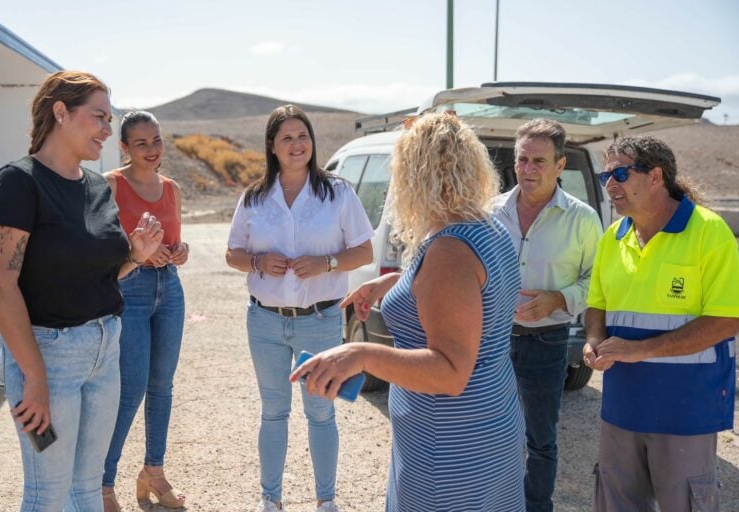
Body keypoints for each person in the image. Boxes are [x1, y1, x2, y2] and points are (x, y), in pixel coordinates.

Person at [291, 112, 526, 511]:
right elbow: (470, 291)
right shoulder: (489, 226)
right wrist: (397, 282)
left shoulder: (449, 251)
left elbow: (450, 372)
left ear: (415, 173)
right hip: (486, 423)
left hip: (449, 446)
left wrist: (361, 354)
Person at [0, 71, 163, 511]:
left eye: (110, 119)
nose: (107, 130)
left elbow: (97, 275)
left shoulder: (97, 187)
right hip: (48, 355)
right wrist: (35, 377)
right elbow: (0, 284)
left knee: (86, 489)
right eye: (99, 116)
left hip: (105, 348)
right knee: (48, 492)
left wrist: (135, 256)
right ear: (60, 112)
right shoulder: (19, 183)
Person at [225, 104, 374, 512]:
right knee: (273, 412)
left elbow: (364, 251)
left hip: (319, 321)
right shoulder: (254, 198)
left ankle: (326, 501)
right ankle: (270, 500)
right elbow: (232, 253)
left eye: (303, 135)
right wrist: (258, 261)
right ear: (272, 146)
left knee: (321, 412)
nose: (296, 144)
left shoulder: (338, 193)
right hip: (265, 322)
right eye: (287, 137)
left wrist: (326, 263)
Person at [583, 136, 739, 511]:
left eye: (621, 173)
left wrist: (640, 350)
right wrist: (593, 340)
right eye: (606, 175)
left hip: (685, 409)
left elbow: (726, 320)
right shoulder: (612, 238)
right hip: (621, 407)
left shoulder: (709, 231)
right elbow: (596, 306)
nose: (610, 184)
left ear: (656, 176)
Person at [490, 118, 602, 512]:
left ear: (560, 164)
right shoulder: (489, 212)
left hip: (547, 342)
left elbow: (598, 281)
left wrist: (559, 298)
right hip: (491, 341)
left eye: (539, 161)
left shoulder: (583, 219)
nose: (529, 169)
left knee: (540, 440)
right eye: (523, 159)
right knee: (491, 434)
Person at [101, 111, 188, 511]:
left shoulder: (172, 188)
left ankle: (153, 471)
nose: (152, 150)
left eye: (156, 140)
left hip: (169, 289)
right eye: (141, 143)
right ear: (124, 147)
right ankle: (102, 482)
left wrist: (179, 252)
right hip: (129, 290)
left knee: (162, 387)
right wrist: (137, 254)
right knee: (131, 387)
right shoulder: (110, 185)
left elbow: (174, 241)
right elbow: (98, 246)